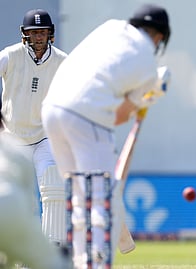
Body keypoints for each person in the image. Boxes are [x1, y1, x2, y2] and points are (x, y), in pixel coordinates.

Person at [41, 3, 171, 268]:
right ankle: (97, 262)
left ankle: (79, 260)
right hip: (88, 117)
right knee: (101, 198)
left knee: (78, 193)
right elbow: (120, 116)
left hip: (51, 110)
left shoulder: (110, 27)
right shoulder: (147, 63)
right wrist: (148, 98)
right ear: (160, 37)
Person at [0, 9, 68, 246]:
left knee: (53, 185)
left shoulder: (63, 61)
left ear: (50, 34)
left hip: (43, 137)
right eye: (33, 33)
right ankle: (19, 250)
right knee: (17, 197)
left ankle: (53, 249)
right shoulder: (10, 55)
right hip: (11, 138)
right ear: (24, 35)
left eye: (42, 32)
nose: (38, 37)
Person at [0, 116, 72, 269]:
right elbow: (26, 203)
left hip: (44, 134)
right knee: (54, 263)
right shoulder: (14, 150)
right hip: (10, 207)